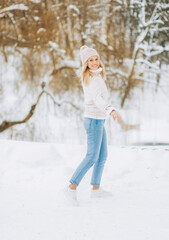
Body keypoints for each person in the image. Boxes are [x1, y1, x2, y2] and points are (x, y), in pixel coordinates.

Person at [65, 45, 120, 204]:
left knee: (102, 156)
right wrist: (110, 109)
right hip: (94, 120)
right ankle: (71, 188)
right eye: (91, 60)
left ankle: (96, 189)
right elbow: (98, 99)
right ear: (86, 63)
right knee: (92, 157)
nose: (95, 62)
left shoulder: (96, 76)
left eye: (96, 59)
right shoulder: (92, 78)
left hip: (98, 120)